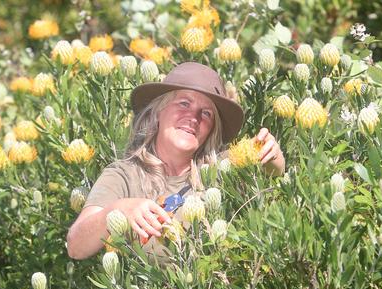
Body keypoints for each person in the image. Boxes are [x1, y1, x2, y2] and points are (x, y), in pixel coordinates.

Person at [67, 62, 285, 260]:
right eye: (183, 103)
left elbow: (273, 174)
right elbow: (76, 246)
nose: (193, 118)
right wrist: (117, 210)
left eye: (206, 113)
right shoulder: (123, 175)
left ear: (212, 130)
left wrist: (272, 156)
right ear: (158, 112)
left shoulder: (224, 167)